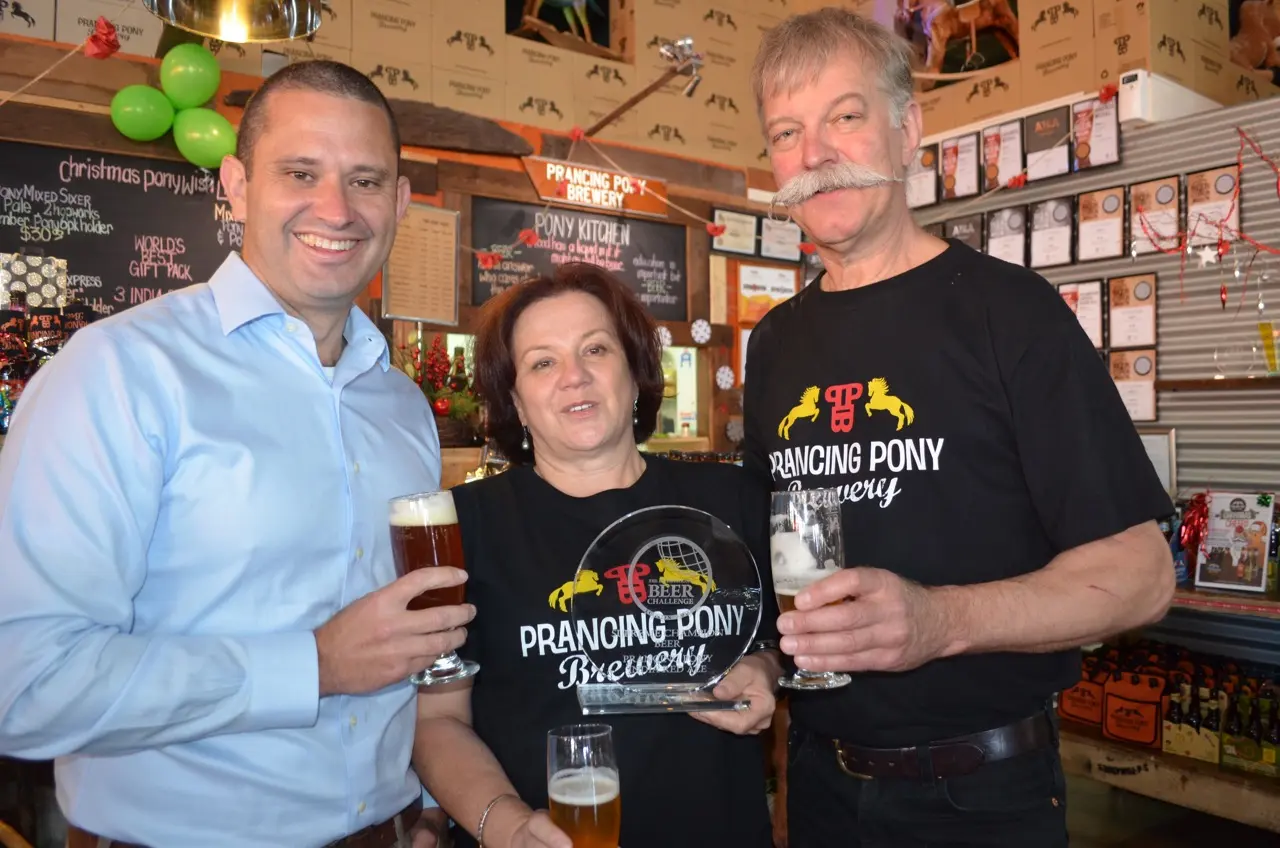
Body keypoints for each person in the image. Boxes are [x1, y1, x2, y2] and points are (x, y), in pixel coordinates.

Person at [0, 61, 468, 848]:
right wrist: (313, 664)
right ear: (238, 185)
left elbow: (409, 657)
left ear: (400, 202)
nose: (336, 209)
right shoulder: (117, 372)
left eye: (364, 180)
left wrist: (420, 800)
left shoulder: (402, 406)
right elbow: (24, 683)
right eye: (300, 173)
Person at [744, 9, 1175, 847]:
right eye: (786, 132)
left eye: (845, 115)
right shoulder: (774, 343)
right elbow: (771, 569)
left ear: (907, 131)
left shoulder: (1010, 313)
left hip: (983, 796)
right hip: (823, 780)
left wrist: (938, 621)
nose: (814, 154)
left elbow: (1142, 574)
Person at [411, 263, 782, 848]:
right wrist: (505, 825)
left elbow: (776, 644)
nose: (574, 377)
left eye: (596, 350)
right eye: (542, 362)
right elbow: (436, 720)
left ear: (635, 374)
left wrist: (765, 669)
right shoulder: (462, 525)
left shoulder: (731, 498)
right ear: (516, 399)